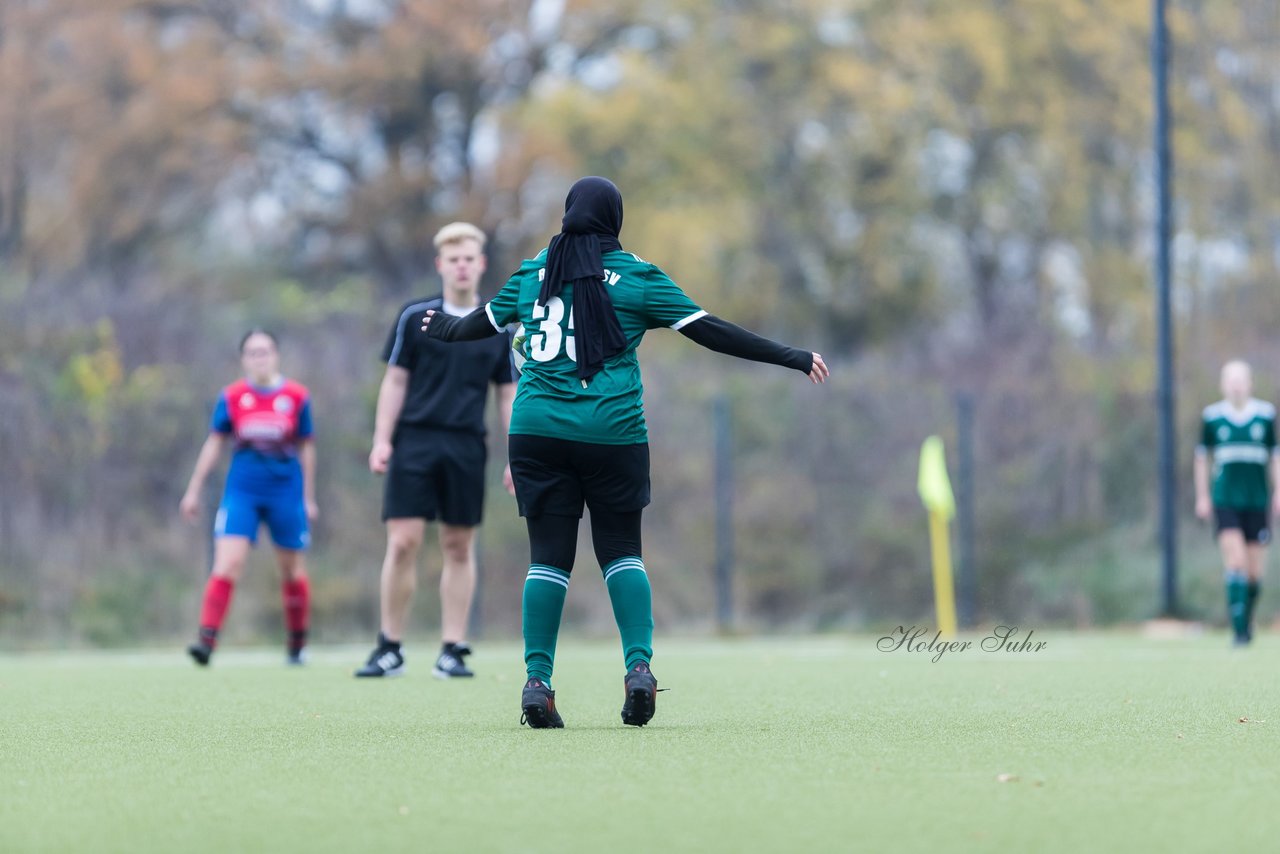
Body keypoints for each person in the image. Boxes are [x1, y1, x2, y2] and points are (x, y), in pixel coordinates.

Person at [422, 176, 829, 728]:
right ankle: (639, 670)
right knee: (620, 550)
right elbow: (712, 332)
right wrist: (793, 356)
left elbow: (476, 325)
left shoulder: (533, 271)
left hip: (536, 430)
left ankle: (537, 683)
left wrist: (440, 328)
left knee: (547, 559)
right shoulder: (638, 277)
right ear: (615, 219)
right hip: (613, 432)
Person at [355, 222, 517, 679]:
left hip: (466, 445)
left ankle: (452, 648)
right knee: (403, 542)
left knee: (459, 545)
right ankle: (390, 647)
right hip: (414, 442)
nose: (462, 266)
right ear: (440, 265)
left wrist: (515, 455)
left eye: (469, 258)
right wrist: (382, 440)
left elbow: (507, 394)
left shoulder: (496, 325)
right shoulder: (415, 318)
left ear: (481, 264)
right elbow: (396, 380)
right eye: (454, 259)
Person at [180, 329, 317, 666]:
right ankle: (206, 642)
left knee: (291, 571)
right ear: (243, 359)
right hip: (242, 491)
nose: (260, 357)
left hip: (285, 492)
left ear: (276, 354)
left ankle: (297, 644)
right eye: (253, 352)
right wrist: (194, 488)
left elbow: (307, 447)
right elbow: (214, 443)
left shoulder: (297, 397)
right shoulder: (232, 397)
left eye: (266, 350)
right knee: (227, 564)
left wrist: (309, 497)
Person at [1194, 359, 1280, 646]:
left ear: (1250, 384)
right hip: (1225, 501)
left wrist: (1278, 491)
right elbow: (1202, 458)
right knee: (1236, 561)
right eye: (1230, 380)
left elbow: (1274, 457)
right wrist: (1203, 496)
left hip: (1257, 502)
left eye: (1240, 379)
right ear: (1222, 385)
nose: (1235, 385)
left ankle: (1246, 620)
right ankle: (1239, 632)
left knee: (1255, 574)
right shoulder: (1212, 417)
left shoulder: (1265, 415)